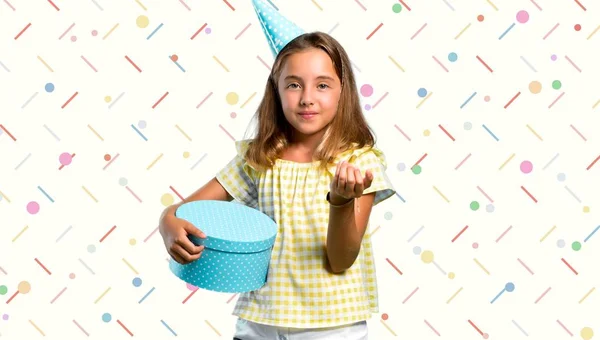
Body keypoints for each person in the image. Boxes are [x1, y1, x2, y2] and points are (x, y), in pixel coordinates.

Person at [158, 1, 395, 339]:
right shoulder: (260, 157)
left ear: (344, 91)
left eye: (323, 85)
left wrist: (341, 201)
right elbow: (184, 211)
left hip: (331, 327)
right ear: (277, 90)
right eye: (294, 84)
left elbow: (341, 260)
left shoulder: (358, 162)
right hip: (259, 323)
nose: (307, 98)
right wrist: (167, 222)